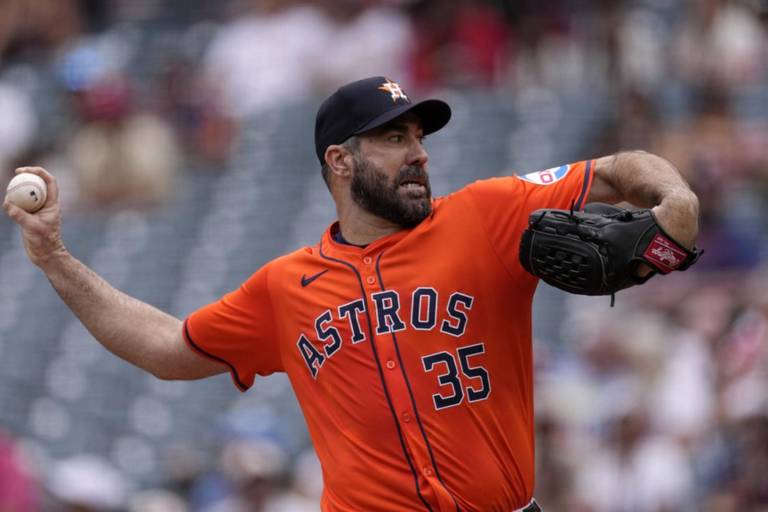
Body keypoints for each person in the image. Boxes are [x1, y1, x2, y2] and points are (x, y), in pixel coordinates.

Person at [4, 76, 699, 511]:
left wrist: (674, 198)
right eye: (394, 137)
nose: (419, 152)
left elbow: (614, 169)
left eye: (419, 135)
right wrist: (55, 258)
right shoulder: (285, 286)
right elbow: (166, 349)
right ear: (340, 161)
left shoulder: (487, 213)